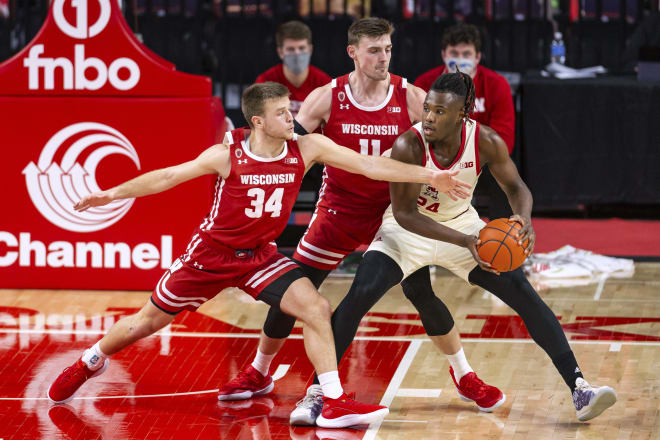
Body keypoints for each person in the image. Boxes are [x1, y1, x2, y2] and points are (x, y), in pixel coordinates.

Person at [46, 82, 472, 429]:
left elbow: (370, 166)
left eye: (292, 110)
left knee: (316, 307)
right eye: (284, 113)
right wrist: (110, 193)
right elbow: (168, 177)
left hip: (260, 256)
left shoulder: (306, 149)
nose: (294, 118)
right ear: (258, 121)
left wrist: (430, 174)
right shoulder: (226, 153)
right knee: (146, 323)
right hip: (210, 255)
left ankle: (334, 400)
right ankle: (92, 360)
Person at [219, 17, 505, 425]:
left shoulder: (410, 96)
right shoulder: (326, 97)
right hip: (339, 209)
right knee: (295, 290)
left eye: (388, 49)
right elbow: (290, 150)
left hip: (394, 212)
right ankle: (260, 370)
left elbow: (441, 144)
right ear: (353, 52)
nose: (383, 57)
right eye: (374, 50)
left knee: (422, 294)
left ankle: (464, 375)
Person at [332, 72, 618, 422]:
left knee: (523, 294)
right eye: (427, 109)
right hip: (409, 231)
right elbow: (405, 215)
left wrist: (523, 218)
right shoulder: (409, 145)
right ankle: (322, 392)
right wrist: (467, 242)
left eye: (440, 111)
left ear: (463, 112)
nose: (430, 118)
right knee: (363, 292)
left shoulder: (485, 141)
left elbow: (516, 187)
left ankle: (579, 388)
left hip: (460, 223)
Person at [415, 23, 515, 219]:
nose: (460, 59)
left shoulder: (497, 85)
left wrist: (466, 155)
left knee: (504, 171)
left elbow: (504, 140)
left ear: (477, 57)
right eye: (454, 53)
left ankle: (504, 234)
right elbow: (417, 131)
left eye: (466, 54)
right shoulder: (424, 83)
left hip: (479, 161)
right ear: (444, 55)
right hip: (436, 159)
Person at [255, 21, 331, 119]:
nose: (297, 54)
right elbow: (259, 123)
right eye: (291, 49)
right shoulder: (265, 83)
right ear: (280, 52)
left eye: (302, 48)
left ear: (310, 50)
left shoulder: (325, 84)